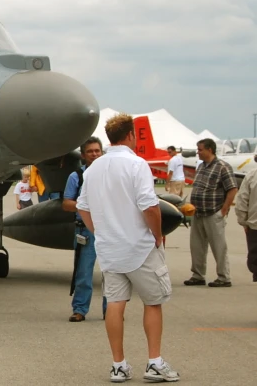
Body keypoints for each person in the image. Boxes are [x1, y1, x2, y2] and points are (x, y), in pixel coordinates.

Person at [76, 113, 179, 383]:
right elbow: (150, 206)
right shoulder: (136, 164)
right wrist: (157, 235)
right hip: (139, 247)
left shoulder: (93, 168)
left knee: (115, 304)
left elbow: (82, 207)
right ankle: (154, 362)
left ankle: (118, 365)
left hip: (110, 250)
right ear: (131, 135)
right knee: (153, 302)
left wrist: (100, 232)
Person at [62, 136, 106, 322]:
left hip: (108, 231)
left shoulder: (109, 174)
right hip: (85, 231)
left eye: (97, 151)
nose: (94, 154)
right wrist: (86, 206)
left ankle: (111, 310)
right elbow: (66, 203)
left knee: (112, 274)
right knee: (83, 272)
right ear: (83, 155)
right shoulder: (76, 177)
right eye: (90, 151)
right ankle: (80, 309)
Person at [184, 138, 238, 287]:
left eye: (200, 149)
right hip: (198, 213)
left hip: (213, 213)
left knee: (219, 247)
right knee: (197, 246)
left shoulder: (222, 167)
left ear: (210, 150)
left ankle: (224, 277)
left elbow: (232, 189)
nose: (198, 152)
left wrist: (224, 210)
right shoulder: (201, 166)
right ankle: (198, 275)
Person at [234, 168, 257, 282]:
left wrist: (243, 222)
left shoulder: (252, 176)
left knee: (256, 260)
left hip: (255, 226)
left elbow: (242, 201)